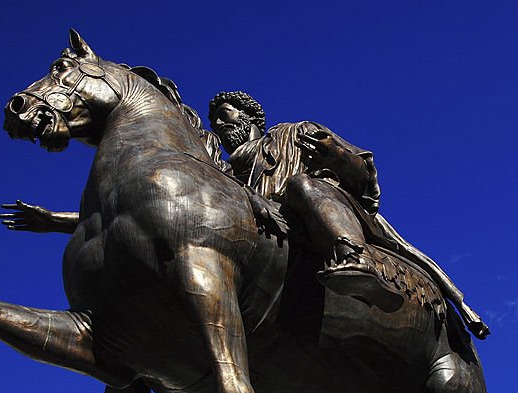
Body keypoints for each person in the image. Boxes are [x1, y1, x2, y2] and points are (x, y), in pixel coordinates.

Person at [208, 91, 489, 336]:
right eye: (214, 123)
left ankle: (355, 257)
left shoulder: (293, 134)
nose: (219, 125)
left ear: (249, 116)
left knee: (300, 184)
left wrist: (336, 155)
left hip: (326, 209)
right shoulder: (227, 175)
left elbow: (363, 174)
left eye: (224, 115)